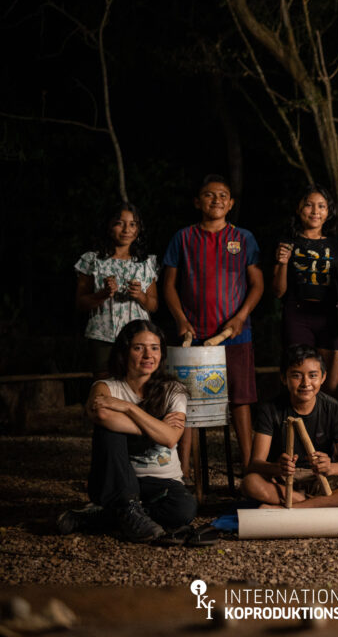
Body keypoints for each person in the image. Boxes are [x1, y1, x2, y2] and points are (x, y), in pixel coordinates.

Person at [57, 320, 196, 543]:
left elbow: (171, 438)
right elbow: (102, 414)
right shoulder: (105, 387)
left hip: (162, 482)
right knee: (108, 431)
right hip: (118, 481)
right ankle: (127, 508)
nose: (148, 355)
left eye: (154, 348)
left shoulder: (173, 390)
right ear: (124, 351)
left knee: (184, 510)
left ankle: (101, 517)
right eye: (139, 348)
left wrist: (128, 408)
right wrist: (157, 427)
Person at [163, 174, 264, 472]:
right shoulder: (183, 237)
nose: (216, 200)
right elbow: (168, 285)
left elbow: (257, 284)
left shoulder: (243, 238)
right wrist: (181, 320)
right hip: (192, 334)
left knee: (241, 399)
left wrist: (240, 317)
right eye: (209, 194)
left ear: (230, 203)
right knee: (185, 401)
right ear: (197, 202)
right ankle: (182, 470)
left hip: (235, 334)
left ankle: (250, 467)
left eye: (223, 195)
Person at [243, 345, 338, 509]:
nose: (305, 383)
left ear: (323, 377)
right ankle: (332, 502)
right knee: (250, 483)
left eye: (313, 375)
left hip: (323, 479)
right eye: (296, 376)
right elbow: (255, 463)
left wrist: (330, 467)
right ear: (283, 378)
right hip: (284, 481)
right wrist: (277, 467)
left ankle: (295, 507)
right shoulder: (270, 410)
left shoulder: (333, 408)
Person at [271, 184, 338, 396]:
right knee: (300, 381)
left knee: (330, 385)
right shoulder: (287, 242)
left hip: (332, 317)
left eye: (321, 206)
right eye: (309, 205)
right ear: (299, 208)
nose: (315, 211)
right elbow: (278, 292)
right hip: (297, 315)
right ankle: (298, 418)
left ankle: (326, 419)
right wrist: (282, 263)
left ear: (329, 211)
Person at [74, 203, 159, 377]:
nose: (127, 229)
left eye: (133, 224)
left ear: (139, 229)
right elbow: (80, 303)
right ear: (108, 226)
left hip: (137, 337)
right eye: (120, 223)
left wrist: (140, 296)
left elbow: (153, 305)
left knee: (136, 381)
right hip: (102, 336)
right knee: (104, 383)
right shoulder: (92, 260)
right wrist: (102, 294)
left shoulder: (145, 263)